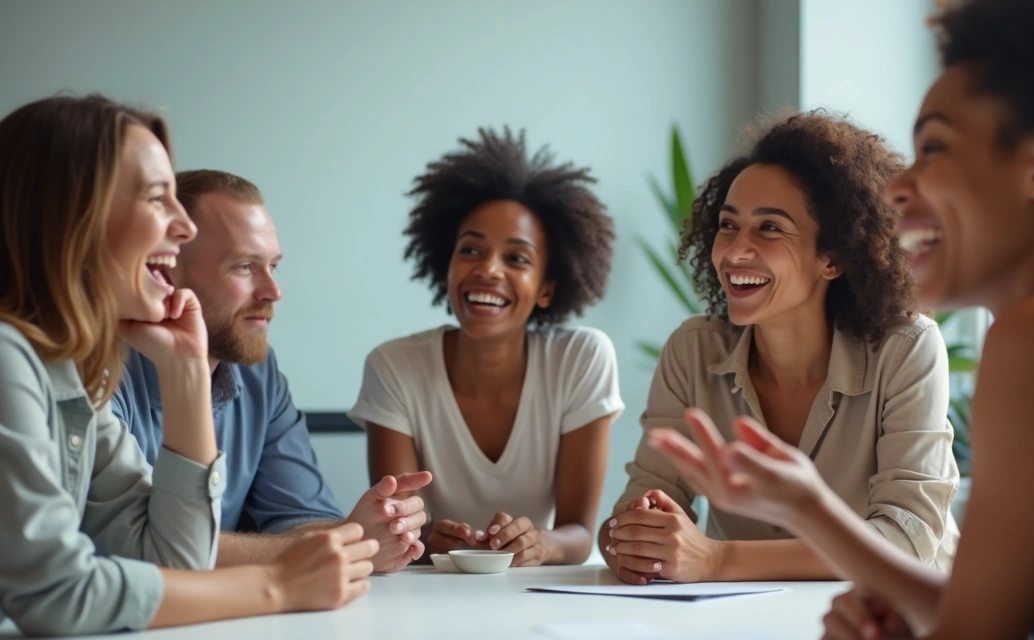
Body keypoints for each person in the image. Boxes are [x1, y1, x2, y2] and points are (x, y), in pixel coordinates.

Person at [646, 0, 1034, 638]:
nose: (896, 189)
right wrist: (830, 530)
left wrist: (798, 515)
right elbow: (994, 615)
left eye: (935, 149)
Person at [0, 95, 374, 636]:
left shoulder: (68, 376)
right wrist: (279, 585)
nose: (181, 227)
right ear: (71, 217)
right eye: (158, 199)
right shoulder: (9, 355)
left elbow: (172, 560)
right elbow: (57, 593)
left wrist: (187, 376)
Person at [602, 111, 960, 585]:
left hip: (895, 619)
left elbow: (907, 541)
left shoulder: (907, 348)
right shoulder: (692, 350)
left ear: (832, 256)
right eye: (728, 226)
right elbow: (637, 509)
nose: (734, 252)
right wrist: (633, 536)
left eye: (769, 229)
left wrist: (715, 560)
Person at [112, 170, 430, 573]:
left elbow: (301, 517)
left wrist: (369, 532)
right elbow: (135, 547)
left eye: (273, 266)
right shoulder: (101, 369)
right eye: (245, 266)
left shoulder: (258, 372)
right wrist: (345, 542)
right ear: (166, 272)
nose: (273, 291)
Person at [349, 127, 623, 567]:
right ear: (447, 265)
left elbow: (578, 535)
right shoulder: (394, 366)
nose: (488, 270)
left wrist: (540, 543)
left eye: (516, 258)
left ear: (548, 288)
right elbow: (399, 530)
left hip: (535, 593)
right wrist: (422, 542)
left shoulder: (581, 359)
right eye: (471, 250)